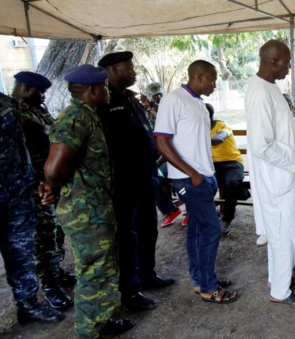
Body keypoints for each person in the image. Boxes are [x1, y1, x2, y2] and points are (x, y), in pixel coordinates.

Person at [44, 64, 134, 337]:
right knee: (93, 272)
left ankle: (101, 320)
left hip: (97, 207)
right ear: (94, 90)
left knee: (104, 268)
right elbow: (53, 169)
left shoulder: (88, 114)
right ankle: (87, 332)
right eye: (104, 87)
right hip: (85, 210)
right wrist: (58, 189)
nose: (107, 91)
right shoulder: (74, 118)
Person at [155, 60, 239, 303]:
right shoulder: (174, 100)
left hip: (204, 176)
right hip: (189, 179)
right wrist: (192, 174)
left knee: (196, 230)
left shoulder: (199, 103)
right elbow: (161, 141)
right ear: (199, 77)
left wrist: (205, 175)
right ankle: (208, 288)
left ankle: (200, 279)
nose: (214, 84)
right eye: (212, 80)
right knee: (211, 230)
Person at [97, 51, 175, 312]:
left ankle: (147, 275)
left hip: (145, 177)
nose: (134, 72)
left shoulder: (130, 99)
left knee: (147, 228)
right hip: (123, 183)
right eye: (128, 68)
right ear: (112, 70)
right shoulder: (104, 101)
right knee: (127, 237)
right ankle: (129, 290)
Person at [245, 40, 295, 305]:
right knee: (284, 233)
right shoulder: (260, 93)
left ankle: (279, 279)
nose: (289, 67)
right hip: (276, 177)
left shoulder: (269, 87)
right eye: (287, 62)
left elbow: (281, 134)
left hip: (284, 172)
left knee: (281, 233)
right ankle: (280, 292)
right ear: (273, 61)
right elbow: (260, 145)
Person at [0, 90, 65, 326]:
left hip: (17, 194)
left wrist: (37, 179)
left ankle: (28, 305)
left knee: (21, 253)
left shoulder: (4, 103)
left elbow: (21, 146)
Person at [11, 71, 75, 310]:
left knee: (56, 231)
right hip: (32, 187)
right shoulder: (13, 113)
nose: (43, 96)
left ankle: (56, 272)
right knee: (44, 236)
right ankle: (50, 287)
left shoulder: (35, 110)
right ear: (28, 90)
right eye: (40, 92)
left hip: (48, 181)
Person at [254, 93, 295, 247]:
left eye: (289, 106)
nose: (286, 109)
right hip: (275, 171)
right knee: (273, 206)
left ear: (292, 108)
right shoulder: (269, 127)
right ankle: (268, 231)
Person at [208, 102, 250, 235]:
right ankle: (213, 217)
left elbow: (219, 138)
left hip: (232, 163)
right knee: (201, 183)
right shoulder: (197, 127)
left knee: (231, 183)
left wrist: (198, 138)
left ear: (209, 116)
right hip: (212, 165)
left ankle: (227, 219)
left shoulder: (222, 125)